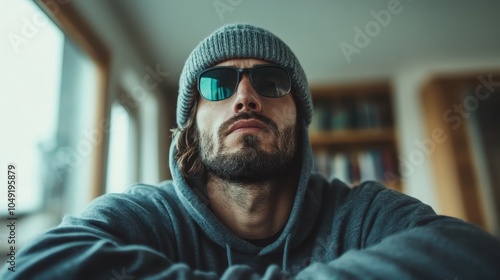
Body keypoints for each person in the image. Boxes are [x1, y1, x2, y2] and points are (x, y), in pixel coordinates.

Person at [3, 23, 500, 280]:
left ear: (299, 118)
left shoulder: (360, 213)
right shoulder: (149, 214)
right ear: (190, 127)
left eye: (270, 80)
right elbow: (38, 265)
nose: (245, 95)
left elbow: (473, 255)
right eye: (217, 84)